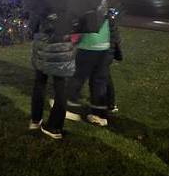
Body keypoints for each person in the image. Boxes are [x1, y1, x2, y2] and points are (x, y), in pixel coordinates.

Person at [29, 12, 78, 140]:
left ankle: (35, 120)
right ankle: (55, 126)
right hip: (64, 48)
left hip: (44, 48)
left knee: (40, 82)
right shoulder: (72, 4)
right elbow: (78, 28)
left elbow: (32, 25)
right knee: (61, 86)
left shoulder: (42, 2)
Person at [65, 7, 117, 126]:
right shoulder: (104, 1)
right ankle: (99, 115)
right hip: (104, 45)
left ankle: (70, 108)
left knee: (77, 77)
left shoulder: (87, 3)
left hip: (88, 45)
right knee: (99, 83)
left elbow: (79, 26)